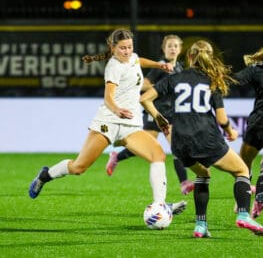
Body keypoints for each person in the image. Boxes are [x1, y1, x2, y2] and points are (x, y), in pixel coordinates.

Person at [28, 28, 185, 216]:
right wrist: (117, 109)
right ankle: (45, 175)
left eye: (129, 47)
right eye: (122, 48)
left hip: (130, 125)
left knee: (158, 155)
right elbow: (108, 97)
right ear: (113, 48)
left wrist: (160, 66)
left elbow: (137, 61)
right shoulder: (114, 67)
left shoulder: (132, 57)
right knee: (79, 167)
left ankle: (160, 205)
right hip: (108, 122)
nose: (127, 51)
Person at [140, 39, 263, 237]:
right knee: (241, 170)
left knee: (203, 175)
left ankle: (201, 226)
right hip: (205, 138)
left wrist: (159, 118)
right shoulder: (212, 80)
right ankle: (243, 215)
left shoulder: (174, 77)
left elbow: (144, 98)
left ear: (189, 57)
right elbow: (222, 119)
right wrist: (230, 131)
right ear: (210, 58)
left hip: (179, 142)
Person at [106, 34, 194, 195]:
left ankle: (184, 183)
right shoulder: (161, 66)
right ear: (164, 49)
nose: (172, 49)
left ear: (180, 49)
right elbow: (143, 85)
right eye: (169, 46)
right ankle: (116, 157)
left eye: (175, 46)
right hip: (154, 112)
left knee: (176, 147)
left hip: (171, 114)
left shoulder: (180, 68)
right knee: (142, 148)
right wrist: (159, 87)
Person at [234, 48, 263, 219]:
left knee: (243, 165)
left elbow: (234, 80)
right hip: (258, 123)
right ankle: (259, 198)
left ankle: (242, 201)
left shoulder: (255, 70)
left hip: (258, 123)